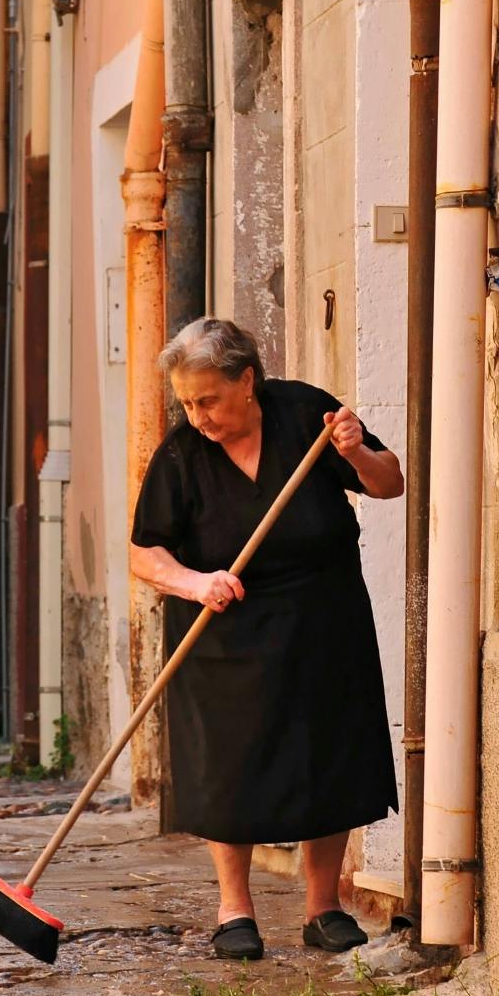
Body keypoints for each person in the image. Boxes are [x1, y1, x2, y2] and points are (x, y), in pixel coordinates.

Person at [128, 317, 402, 960]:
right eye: (187, 403)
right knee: (231, 763)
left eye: (208, 400)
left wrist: (356, 450)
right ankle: (234, 912)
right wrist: (197, 583)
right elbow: (146, 553)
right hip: (227, 626)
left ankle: (323, 908)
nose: (198, 415)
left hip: (323, 616)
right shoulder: (181, 454)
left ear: (246, 380)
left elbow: (387, 481)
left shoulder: (307, 413)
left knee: (326, 753)